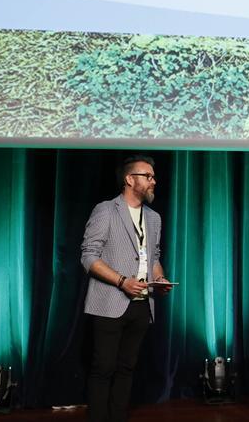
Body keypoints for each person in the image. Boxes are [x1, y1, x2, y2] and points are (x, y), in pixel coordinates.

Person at [81, 155, 171, 422]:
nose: (154, 181)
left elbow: (153, 257)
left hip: (143, 304)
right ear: (130, 179)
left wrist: (160, 279)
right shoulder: (106, 210)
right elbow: (88, 256)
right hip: (110, 301)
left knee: (127, 368)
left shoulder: (154, 219)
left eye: (154, 176)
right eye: (148, 176)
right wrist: (122, 281)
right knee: (103, 368)